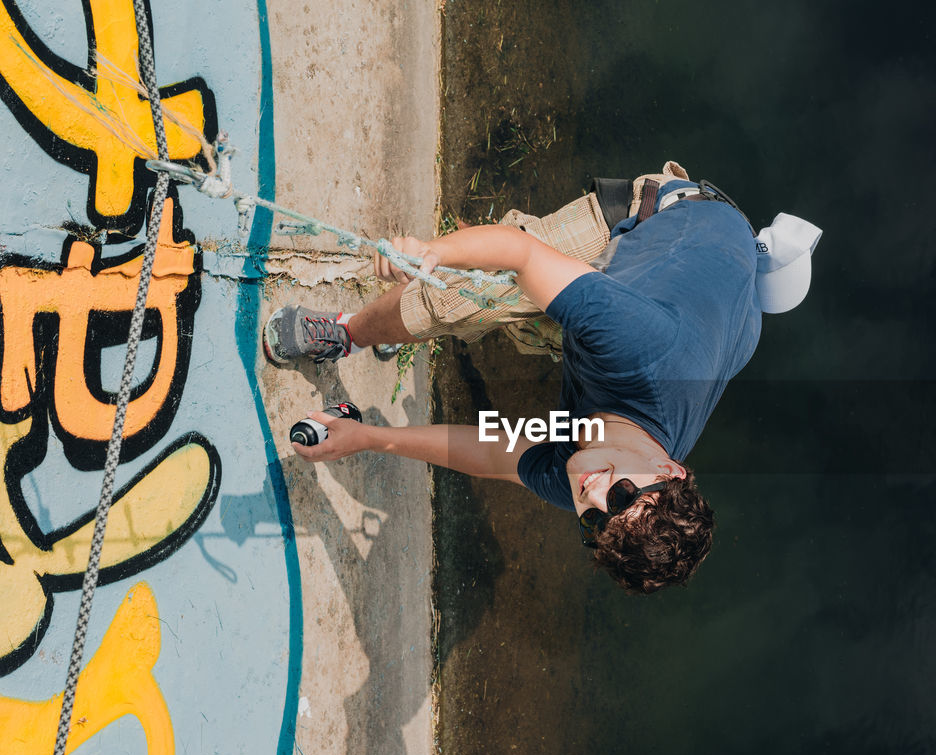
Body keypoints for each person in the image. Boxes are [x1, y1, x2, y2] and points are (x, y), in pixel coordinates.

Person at [263, 162, 820, 593]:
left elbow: (494, 451)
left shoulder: (591, 490)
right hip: (676, 222)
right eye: (623, 495)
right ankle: (351, 330)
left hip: (729, 314)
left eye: (596, 523)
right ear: (669, 468)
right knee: (465, 299)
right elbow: (520, 254)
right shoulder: (638, 347)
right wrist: (433, 253)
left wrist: (371, 438)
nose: (595, 495)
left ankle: (531, 314)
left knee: (537, 330)